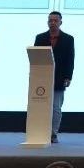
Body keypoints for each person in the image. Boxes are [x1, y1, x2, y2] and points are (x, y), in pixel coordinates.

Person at [34, 11, 75, 143]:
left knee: (56, 108)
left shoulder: (68, 39)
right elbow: (35, 58)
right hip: (41, 78)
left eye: (55, 20)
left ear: (60, 22)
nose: (52, 23)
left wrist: (68, 77)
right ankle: (40, 131)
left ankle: (53, 133)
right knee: (40, 104)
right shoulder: (40, 38)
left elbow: (70, 59)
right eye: (50, 20)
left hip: (59, 77)